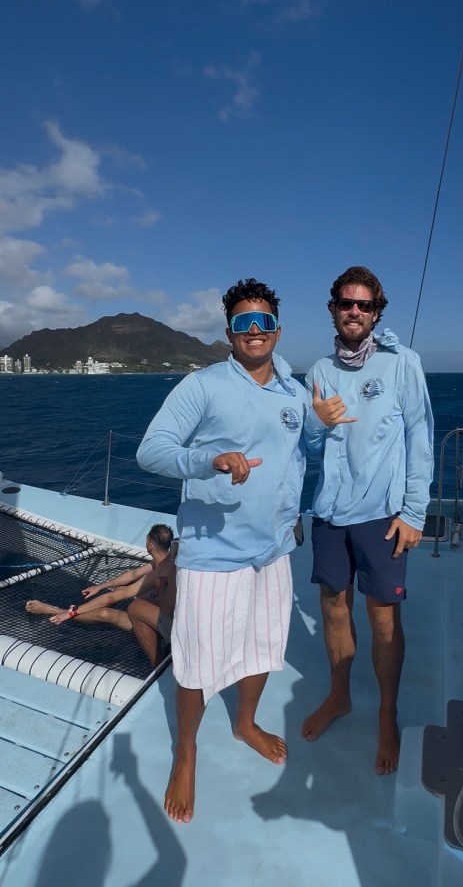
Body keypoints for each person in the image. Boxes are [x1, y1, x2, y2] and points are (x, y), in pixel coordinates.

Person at [136, 278, 305, 824]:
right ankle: (185, 753)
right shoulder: (202, 386)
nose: (254, 332)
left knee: (262, 646)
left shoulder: (294, 393)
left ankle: (245, 723)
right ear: (229, 332)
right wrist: (209, 460)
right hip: (214, 551)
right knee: (196, 661)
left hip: (273, 551)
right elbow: (152, 451)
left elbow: (304, 455)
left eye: (262, 322)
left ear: (276, 329)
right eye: (242, 323)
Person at [302, 265, 433, 775]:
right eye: (345, 303)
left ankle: (386, 713)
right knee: (334, 610)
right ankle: (339, 696)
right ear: (333, 308)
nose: (355, 312)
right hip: (331, 514)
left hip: (383, 516)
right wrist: (319, 422)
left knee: (383, 620)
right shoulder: (318, 371)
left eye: (365, 305)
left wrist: (414, 513)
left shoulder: (403, 364)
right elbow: (311, 448)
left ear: (377, 312)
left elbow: (420, 438)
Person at [25, 523, 176, 668]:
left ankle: (55, 611)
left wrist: (74, 611)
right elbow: (133, 574)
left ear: (150, 544)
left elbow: (112, 597)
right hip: (164, 613)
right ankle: (88, 608)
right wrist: (100, 586)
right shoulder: (166, 561)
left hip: (170, 625)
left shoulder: (161, 570)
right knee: (119, 589)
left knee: (107, 612)